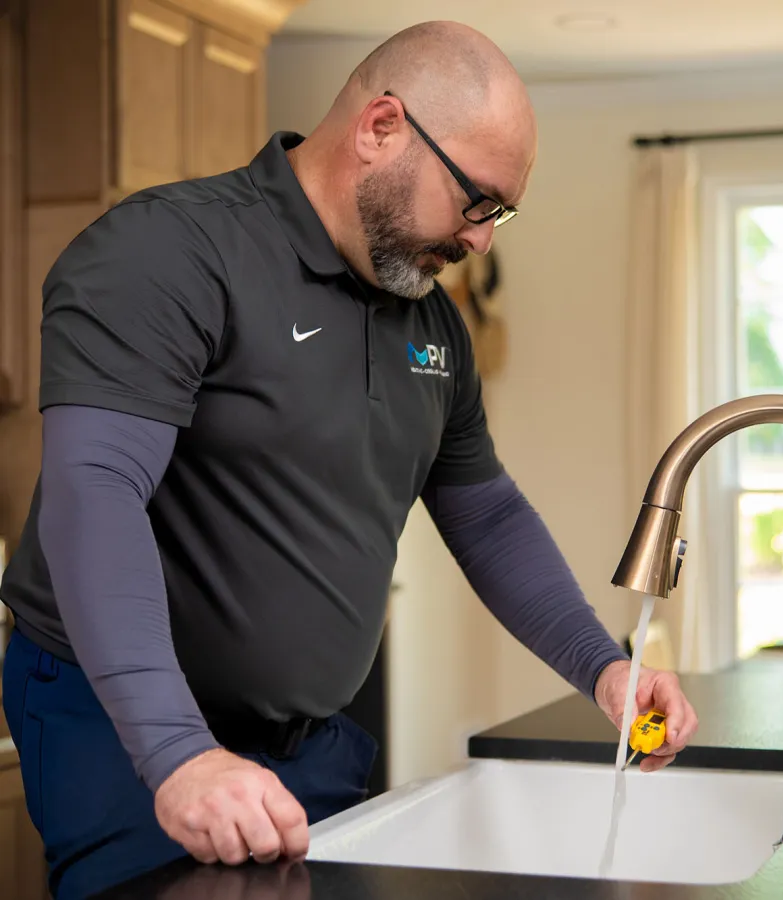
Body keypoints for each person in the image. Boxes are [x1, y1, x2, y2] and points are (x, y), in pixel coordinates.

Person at [0, 19, 698, 900]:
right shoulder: (167, 254)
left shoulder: (433, 325)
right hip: (123, 722)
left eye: (501, 212)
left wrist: (604, 669)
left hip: (310, 737)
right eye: (476, 200)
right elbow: (92, 495)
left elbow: (485, 515)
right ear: (380, 128)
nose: (483, 240)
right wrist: (180, 754)